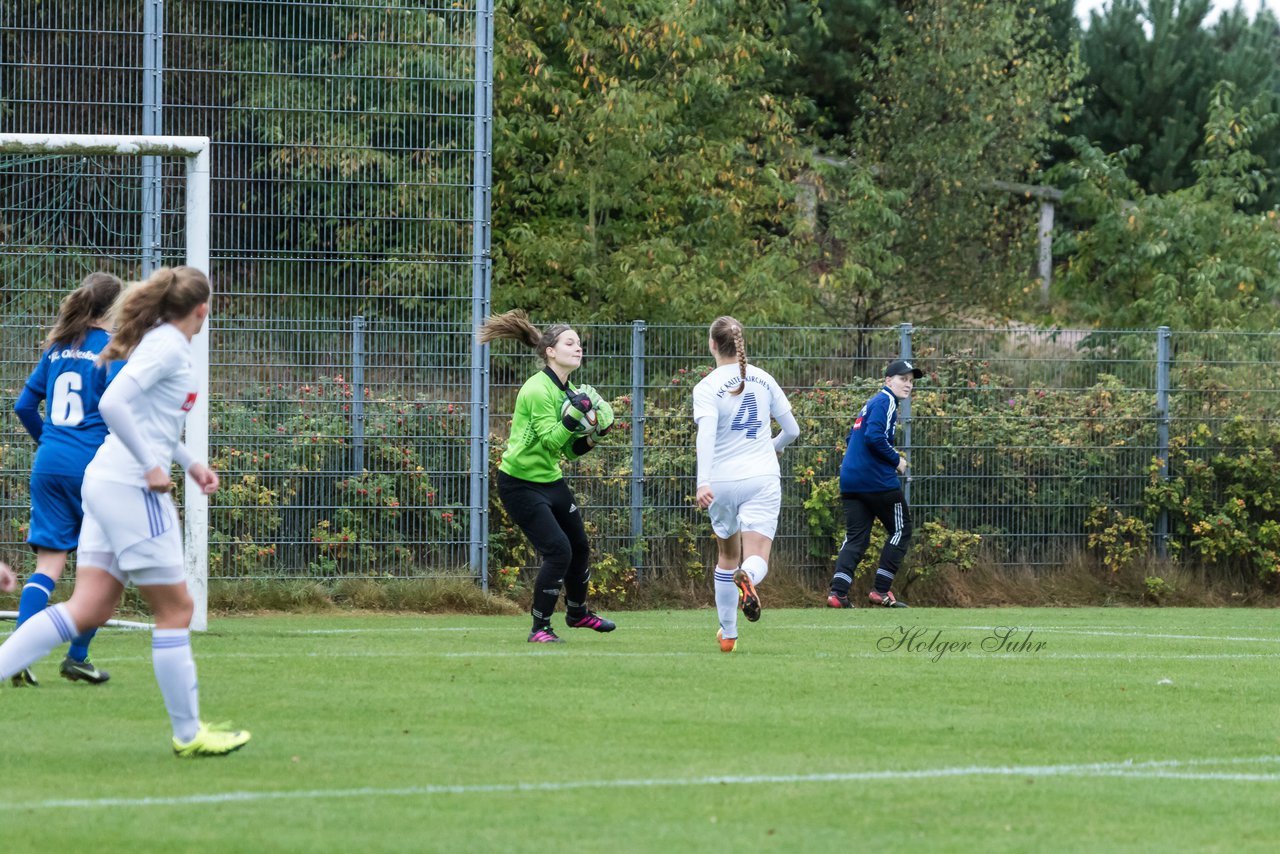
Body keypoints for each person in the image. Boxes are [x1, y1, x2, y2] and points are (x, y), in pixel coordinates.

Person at [0, 266, 250, 757]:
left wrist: (188, 462)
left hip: (105, 480)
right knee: (177, 610)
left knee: (88, 607)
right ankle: (188, 734)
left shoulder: (159, 342)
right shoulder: (169, 347)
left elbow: (147, 420)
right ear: (202, 308)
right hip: (129, 486)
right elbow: (115, 404)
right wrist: (151, 466)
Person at [10, 271, 124, 687]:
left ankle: (18, 656)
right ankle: (77, 657)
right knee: (103, 571)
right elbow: (117, 405)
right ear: (111, 310)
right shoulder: (112, 349)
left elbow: (24, 406)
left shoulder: (57, 349)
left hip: (48, 464)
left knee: (48, 566)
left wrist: (50, 443)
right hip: (93, 469)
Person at [478, 309, 617, 643]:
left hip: (549, 479)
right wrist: (575, 416)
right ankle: (539, 628)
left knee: (579, 547)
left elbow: (566, 451)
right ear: (550, 351)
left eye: (580, 343)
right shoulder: (538, 389)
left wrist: (594, 436)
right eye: (570, 342)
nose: (578, 347)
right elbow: (551, 439)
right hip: (519, 483)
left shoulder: (570, 391)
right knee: (558, 550)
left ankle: (577, 613)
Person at [693, 316, 800, 653]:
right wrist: (773, 447)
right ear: (741, 343)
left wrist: (702, 481)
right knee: (756, 556)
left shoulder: (707, 386)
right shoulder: (764, 379)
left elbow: (706, 435)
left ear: (712, 344)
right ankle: (750, 578)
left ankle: (728, 634)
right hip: (761, 477)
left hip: (721, 482)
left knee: (727, 555)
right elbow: (793, 430)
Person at [826, 358, 923, 609]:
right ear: (888, 380)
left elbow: (851, 437)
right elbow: (874, 437)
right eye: (903, 379)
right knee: (902, 530)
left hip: (851, 481)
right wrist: (896, 461)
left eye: (911, 381)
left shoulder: (870, 404)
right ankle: (880, 591)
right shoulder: (886, 401)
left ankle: (838, 593)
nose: (908, 384)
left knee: (857, 538)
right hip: (877, 481)